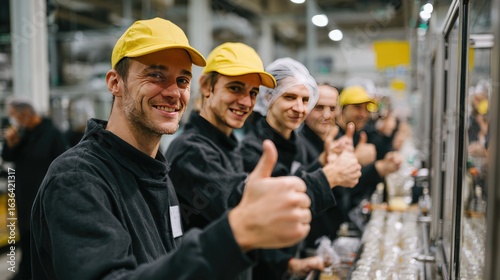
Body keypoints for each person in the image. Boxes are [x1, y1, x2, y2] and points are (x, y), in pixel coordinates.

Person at [30, 18, 314, 280]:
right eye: (155, 75)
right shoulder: (78, 178)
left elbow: (166, 262)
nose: (173, 92)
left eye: (182, 80)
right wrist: (233, 236)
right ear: (115, 83)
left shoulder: (158, 173)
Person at [165, 42, 328, 279]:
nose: (246, 102)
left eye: (252, 93)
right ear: (207, 87)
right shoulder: (192, 150)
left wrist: (286, 264)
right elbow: (242, 205)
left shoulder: (228, 146)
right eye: (235, 88)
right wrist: (326, 179)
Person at [239, 58, 361, 279]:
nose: (299, 108)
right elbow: (271, 213)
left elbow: (300, 180)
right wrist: (329, 176)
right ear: (268, 97)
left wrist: (324, 161)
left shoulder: (298, 144)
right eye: (289, 97)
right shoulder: (254, 148)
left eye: (306, 100)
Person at [1, 98, 68, 280]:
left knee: (42, 237)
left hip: (45, 195)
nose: (13, 120)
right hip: (23, 194)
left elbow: (64, 165)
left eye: (15, 116)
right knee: (25, 234)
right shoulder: (23, 134)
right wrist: (10, 142)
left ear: (26, 114)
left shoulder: (51, 134)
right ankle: (25, 272)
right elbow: (7, 156)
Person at [335, 85, 402, 225]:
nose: (363, 114)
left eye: (366, 109)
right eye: (357, 108)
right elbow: (340, 189)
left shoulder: (361, 135)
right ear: (341, 109)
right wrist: (370, 166)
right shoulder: (335, 139)